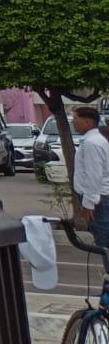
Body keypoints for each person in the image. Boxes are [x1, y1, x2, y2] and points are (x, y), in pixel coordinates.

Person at [72, 106, 109, 271]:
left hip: (98, 199)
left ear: (88, 121)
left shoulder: (92, 143)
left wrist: (88, 202)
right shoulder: (95, 140)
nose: (74, 123)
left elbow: (94, 175)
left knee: (104, 243)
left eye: (76, 120)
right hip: (99, 197)